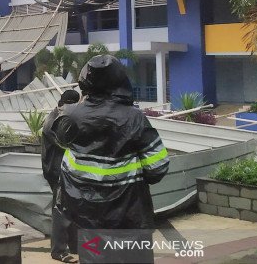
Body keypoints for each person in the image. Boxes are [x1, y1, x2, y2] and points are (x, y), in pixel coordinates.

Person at [53, 55, 169, 263]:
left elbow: (61, 149)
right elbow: (158, 166)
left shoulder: (70, 116)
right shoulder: (134, 118)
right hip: (130, 218)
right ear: (120, 81)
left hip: (87, 218)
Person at [41, 89, 81, 263]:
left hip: (64, 171)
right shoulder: (53, 122)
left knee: (71, 208)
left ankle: (75, 245)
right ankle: (58, 250)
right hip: (57, 172)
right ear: (71, 104)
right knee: (60, 210)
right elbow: (69, 143)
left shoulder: (60, 116)